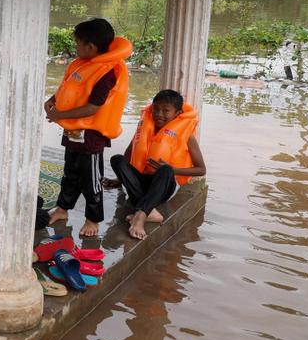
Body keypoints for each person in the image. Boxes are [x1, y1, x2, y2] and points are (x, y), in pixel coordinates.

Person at [44, 18, 132, 238]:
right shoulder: (84, 64)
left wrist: (59, 115)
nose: (76, 48)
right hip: (73, 131)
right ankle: (63, 209)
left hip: (91, 135)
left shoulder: (106, 72)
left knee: (91, 179)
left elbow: (93, 108)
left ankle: (93, 219)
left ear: (91, 47)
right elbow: (71, 88)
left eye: (78, 43)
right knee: (69, 172)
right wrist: (53, 100)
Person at [104, 89, 205, 240]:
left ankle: (141, 215)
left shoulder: (187, 136)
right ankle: (151, 212)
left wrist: (171, 168)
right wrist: (121, 179)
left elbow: (201, 169)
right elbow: (129, 152)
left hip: (164, 185)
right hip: (141, 182)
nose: (159, 114)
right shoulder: (145, 128)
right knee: (117, 159)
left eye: (166, 111)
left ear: (177, 113)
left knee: (165, 170)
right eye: (156, 109)